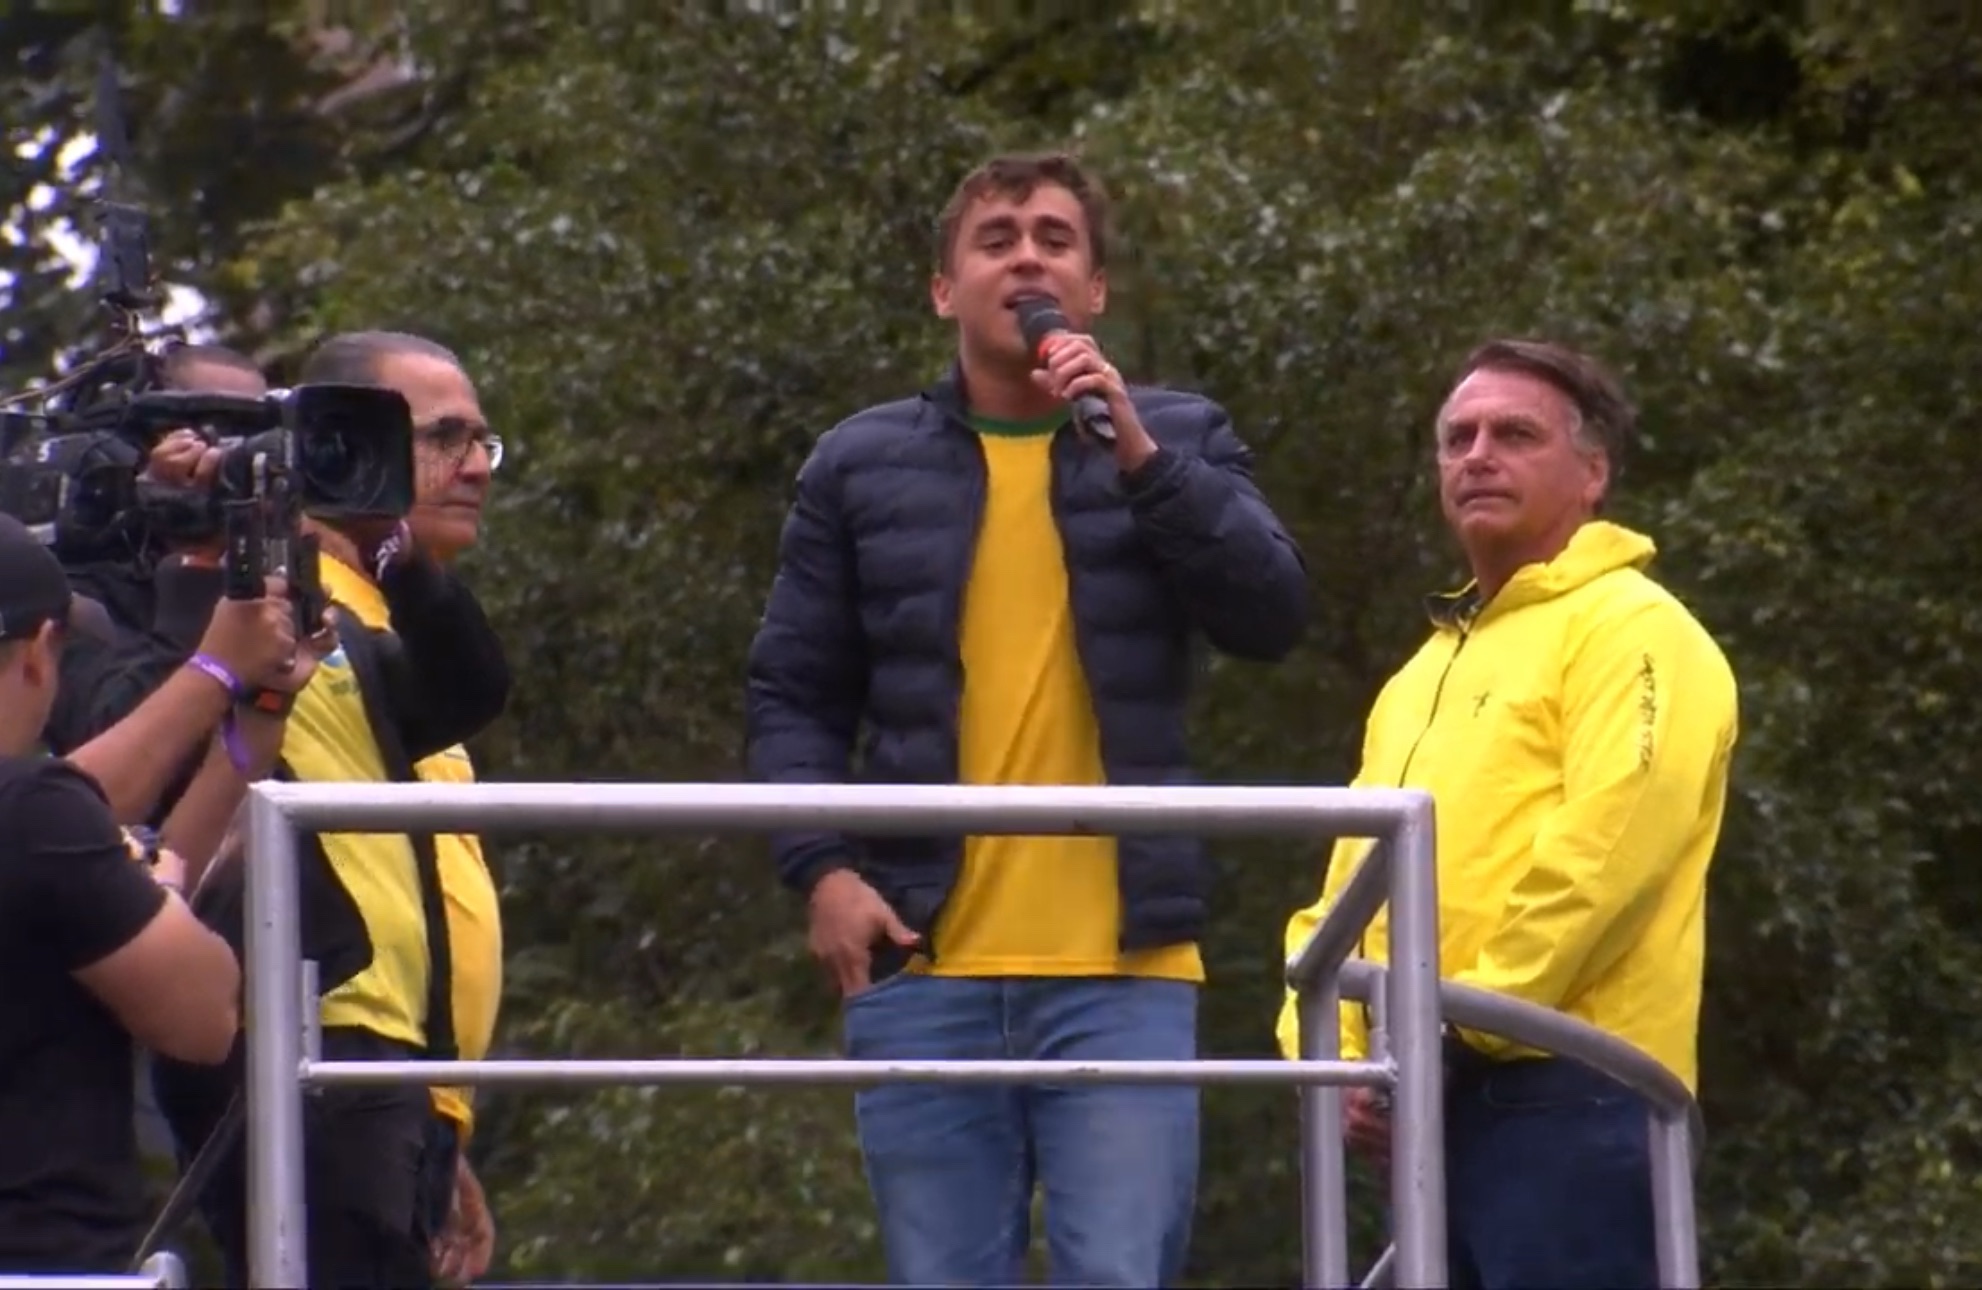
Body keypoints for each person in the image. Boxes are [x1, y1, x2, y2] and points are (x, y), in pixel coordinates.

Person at [746, 150, 1309, 1287]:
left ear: (1092, 290)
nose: (1026, 260)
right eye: (996, 240)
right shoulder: (857, 463)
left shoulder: (1180, 437)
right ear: (942, 289)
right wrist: (821, 872)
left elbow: (1270, 614)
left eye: (1055, 240)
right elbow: (792, 693)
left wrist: (1138, 454)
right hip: (923, 966)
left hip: (1126, 970)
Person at [1276, 338, 1739, 1290]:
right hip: (1428, 1096)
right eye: (1459, 438)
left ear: (1593, 473)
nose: (1478, 455)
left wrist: (1456, 1025)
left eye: (1515, 434)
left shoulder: (1636, 628)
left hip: (1574, 1085)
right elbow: (1345, 893)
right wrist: (1334, 1056)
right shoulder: (1419, 675)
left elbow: (1610, 850)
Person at [147, 330, 511, 1290]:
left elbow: (476, 691)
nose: (475, 465)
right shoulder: (254, 591)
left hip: (391, 1067)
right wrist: (203, 530)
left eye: (481, 440)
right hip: (308, 1044)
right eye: (442, 438)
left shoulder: (385, 607)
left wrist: (440, 1109)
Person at [0, 513, 245, 1275]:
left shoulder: (43, 822)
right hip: (42, 1259)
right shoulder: (34, 812)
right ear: (39, 652)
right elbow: (204, 1017)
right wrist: (162, 888)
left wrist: (249, 736)